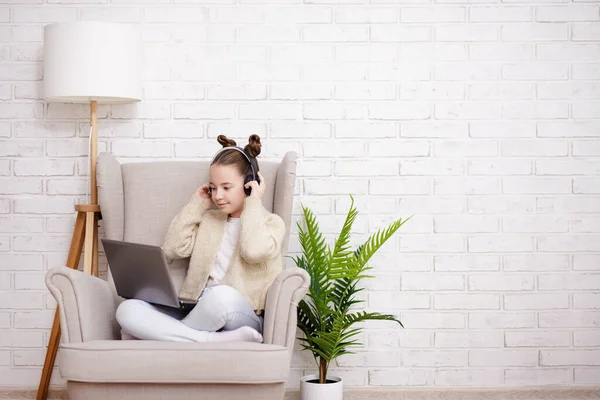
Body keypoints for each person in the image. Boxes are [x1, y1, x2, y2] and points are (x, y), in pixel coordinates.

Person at [115, 134, 286, 343]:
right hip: (197, 310)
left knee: (220, 295)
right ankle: (207, 340)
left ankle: (156, 334)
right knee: (127, 309)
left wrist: (253, 202)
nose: (218, 196)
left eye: (226, 187)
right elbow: (173, 248)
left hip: (239, 312)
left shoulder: (271, 223)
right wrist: (197, 204)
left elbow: (253, 251)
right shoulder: (210, 220)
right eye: (214, 188)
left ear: (249, 184)